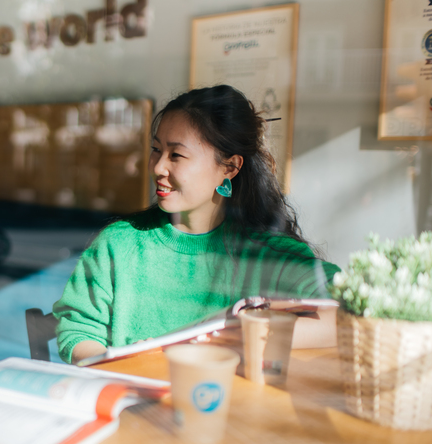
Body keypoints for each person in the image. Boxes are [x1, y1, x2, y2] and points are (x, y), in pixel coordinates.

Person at [53, 85, 341, 364]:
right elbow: (77, 332)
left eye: (176, 155)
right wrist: (127, 363)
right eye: (156, 149)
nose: (158, 167)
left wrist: (235, 337)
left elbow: (346, 313)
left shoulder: (268, 254)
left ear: (229, 168)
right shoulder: (117, 244)